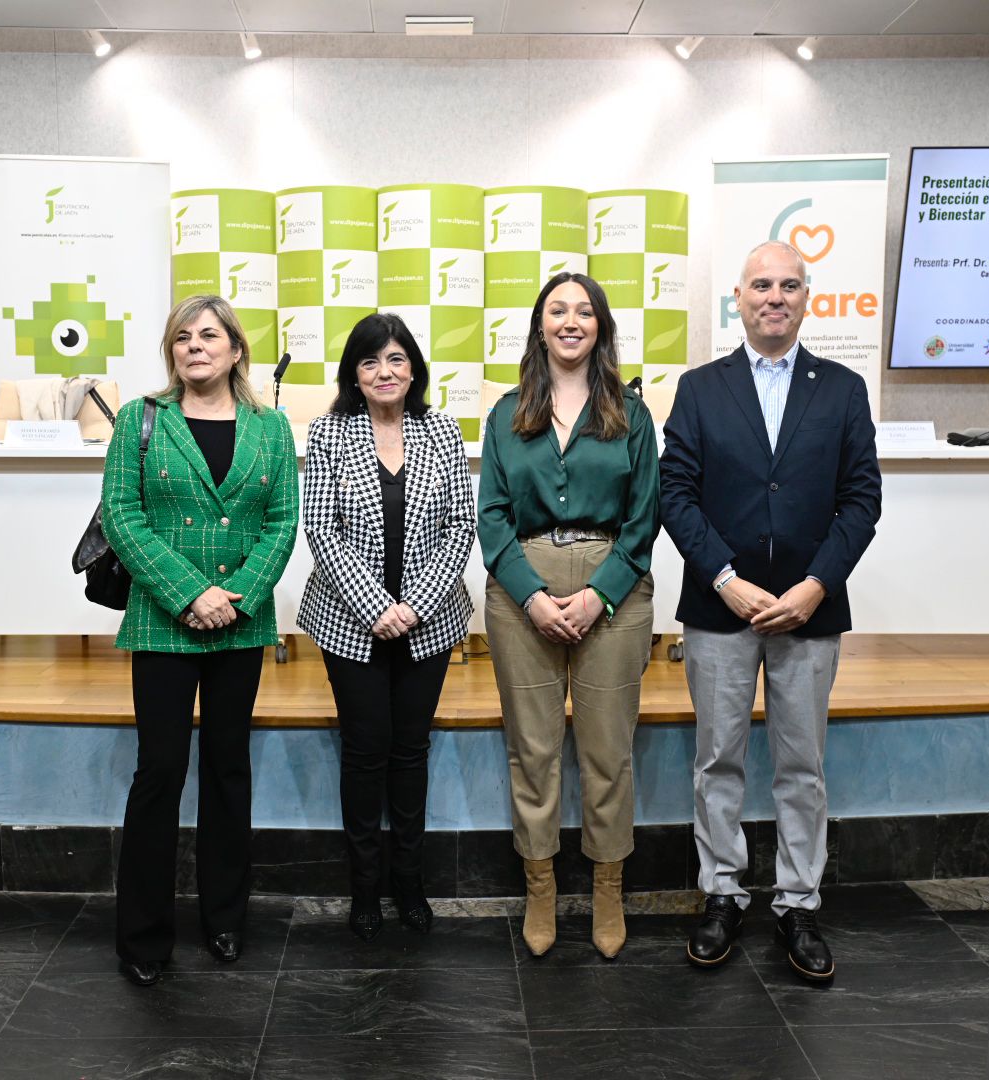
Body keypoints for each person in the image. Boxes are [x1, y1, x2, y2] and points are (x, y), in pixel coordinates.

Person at [659, 241, 881, 981]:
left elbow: (862, 499)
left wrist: (815, 585)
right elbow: (676, 495)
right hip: (721, 610)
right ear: (739, 297)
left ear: (806, 297)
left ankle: (796, 902)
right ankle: (721, 893)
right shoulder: (700, 387)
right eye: (762, 284)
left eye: (789, 284)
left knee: (801, 766)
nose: (775, 296)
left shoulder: (843, 389)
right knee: (717, 761)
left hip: (809, 612)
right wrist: (725, 578)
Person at [102, 294, 299, 986]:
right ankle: (144, 937)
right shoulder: (141, 420)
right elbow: (123, 516)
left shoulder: (271, 428)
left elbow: (283, 523)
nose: (194, 347)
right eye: (182, 337)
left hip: (239, 625)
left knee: (227, 769)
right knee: (159, 774)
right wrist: (189, 593)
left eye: (208, 336)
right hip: (163, 621)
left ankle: (224, 920)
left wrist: (235, 595)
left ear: (236, 350)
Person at [478, 271, 660, 959]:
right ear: (540, 325)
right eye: (558, 309)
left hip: (611, 591)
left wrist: (599, 595)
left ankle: (608, 887)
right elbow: (492, 516)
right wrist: (530, 594)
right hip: (521, 592)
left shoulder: (631, 415)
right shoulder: (506, 412)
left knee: (608, 753)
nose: (571, 320)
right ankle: (541, 886)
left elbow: (644, 521)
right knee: (534, 751)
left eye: (585, 311)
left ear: (600, 327)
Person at [298, 313, 475, 941]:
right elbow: (320, 529)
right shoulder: (328, 434)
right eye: (371, 361)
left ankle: (410, 882)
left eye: (397, 359)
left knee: (410, 751)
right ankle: (365, 887)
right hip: (350, 624)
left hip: (427, 625)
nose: (385, 372)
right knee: (364, 751)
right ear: (354, 372)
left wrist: (413, 605)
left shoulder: (443, 432)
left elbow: (461, 528)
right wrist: (376, 606)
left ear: (414, 368)